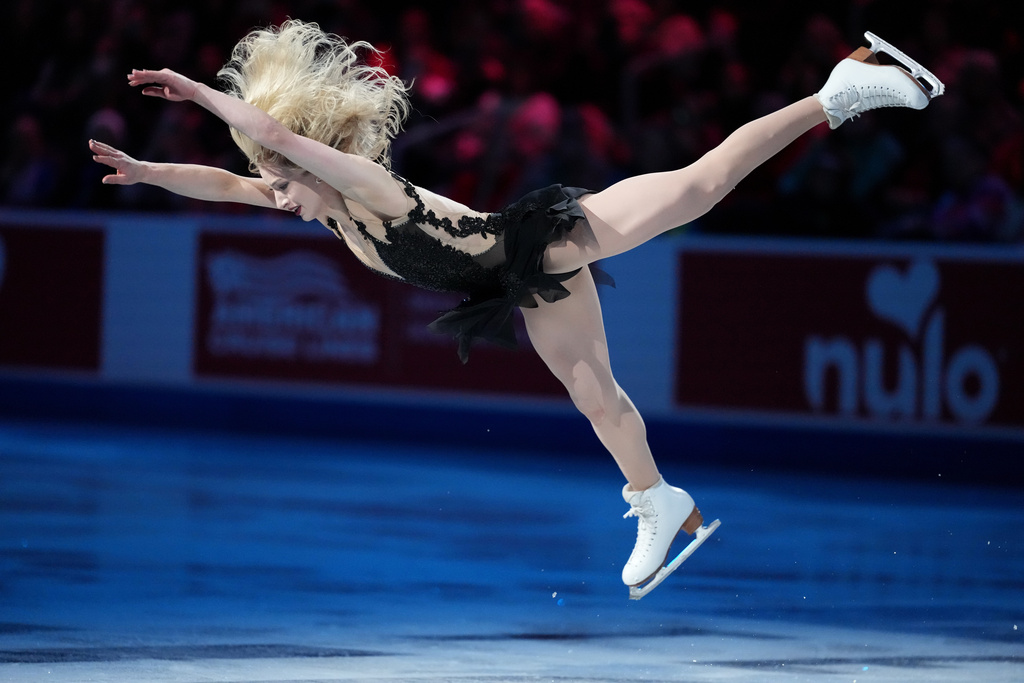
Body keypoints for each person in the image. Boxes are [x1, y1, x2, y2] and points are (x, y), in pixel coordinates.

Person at [89, 21, 944, 598]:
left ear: (311, 160)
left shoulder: (363, 185)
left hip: (540, 241)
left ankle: (841, 90)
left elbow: (274, 143)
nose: (276, 198)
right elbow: (233, 182)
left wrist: (197, 91)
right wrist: (150, 173)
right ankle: (660, 501)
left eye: (283, 183)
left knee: (700, 185)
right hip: (517, 283)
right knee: (596, 396)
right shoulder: (325, 209)